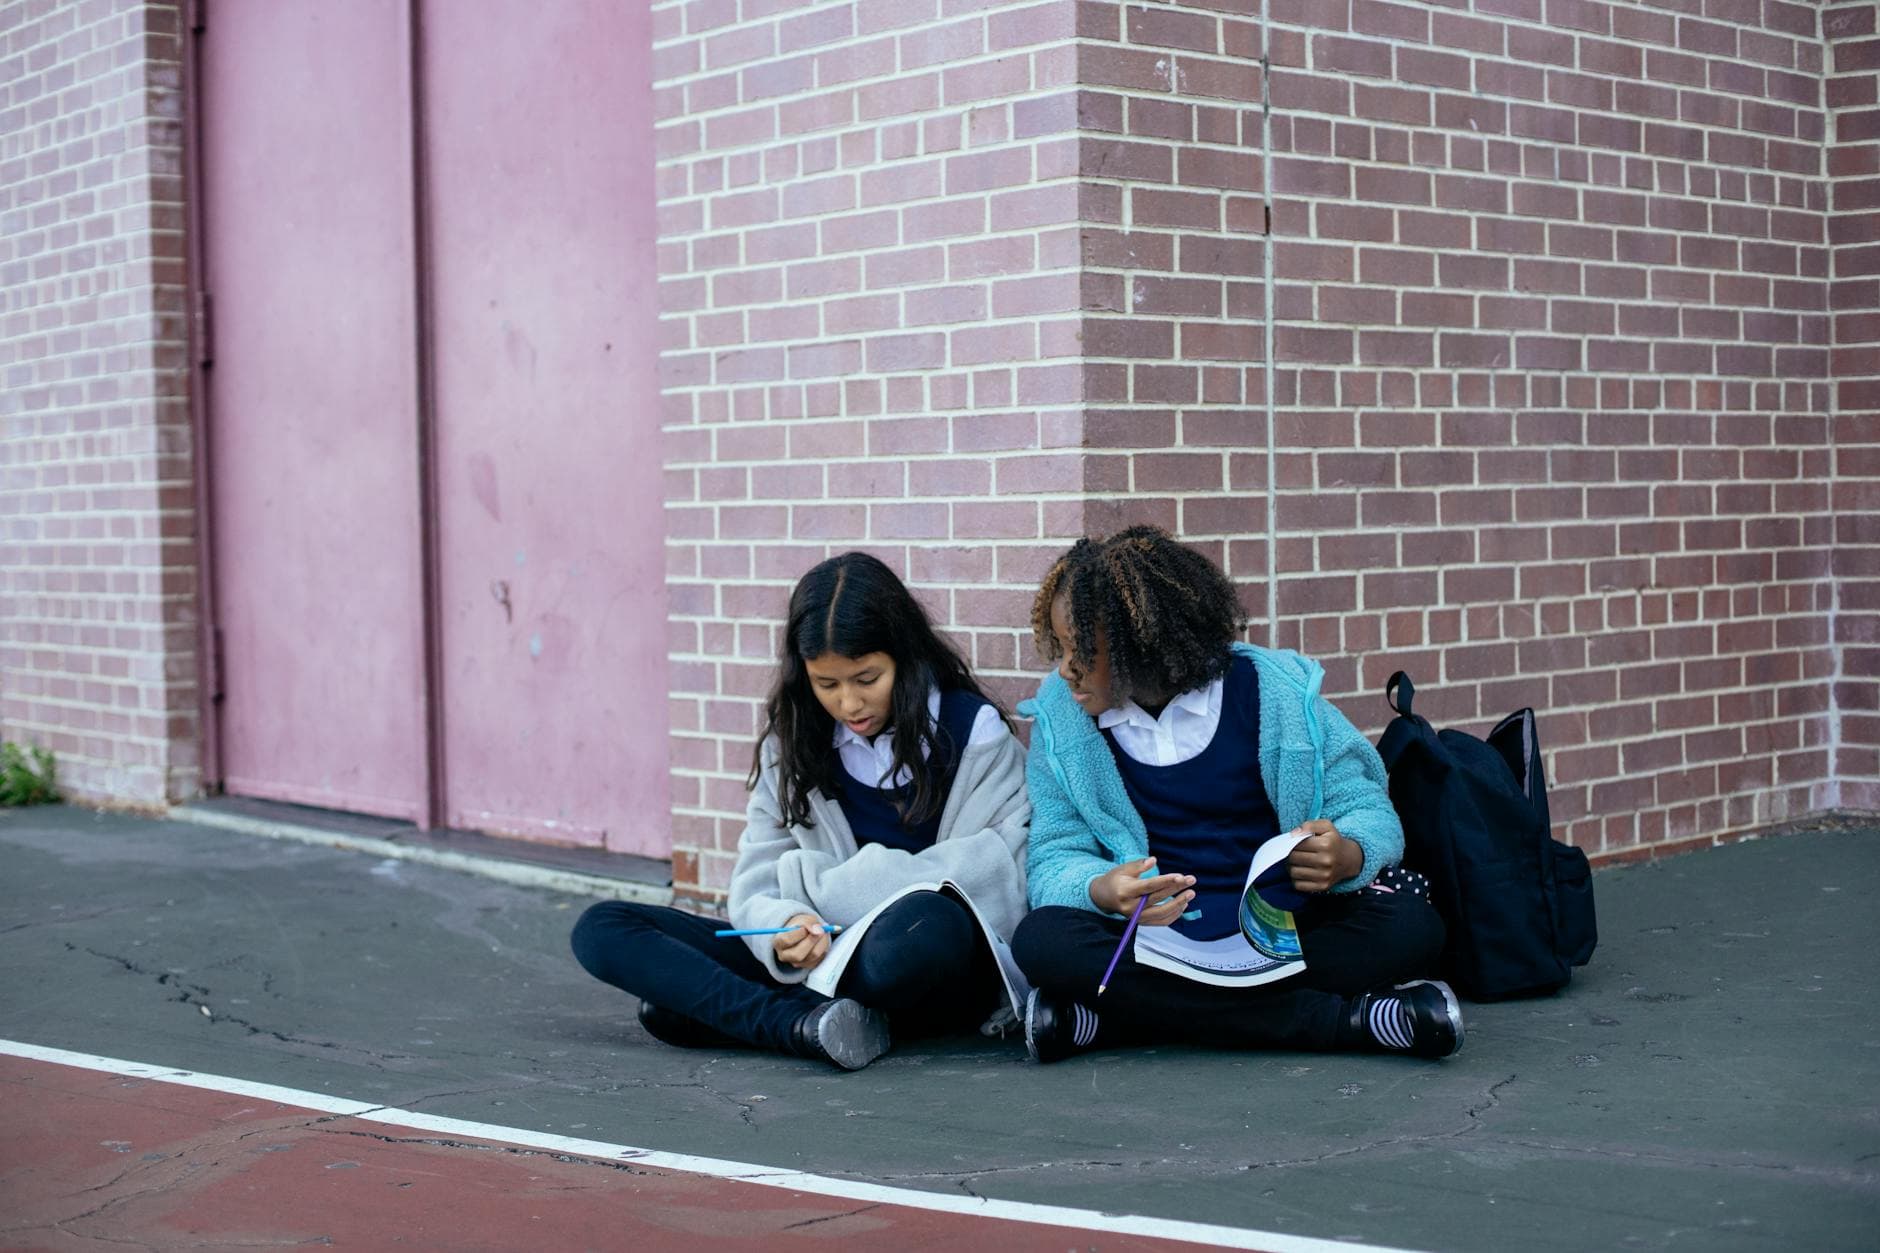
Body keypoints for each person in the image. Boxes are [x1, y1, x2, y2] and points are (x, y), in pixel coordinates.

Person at [1012, 525, 1462, 1062]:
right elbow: (1052, 858)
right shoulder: (1063, 717)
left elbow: (1366, 807)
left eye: (1079, 649)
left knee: (1412, 928)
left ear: (1142, 642)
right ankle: (1349, 1022)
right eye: (1059, 649)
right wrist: (1101, 890)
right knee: (1040, 941)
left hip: (1283, 932)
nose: (1063, 668)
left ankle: (1112, 1020)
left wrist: (1348, 855)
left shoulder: (1276, 692)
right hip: (1154, 943)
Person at [571, 552, 1029, 1070]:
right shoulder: (794, 741)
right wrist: (784, 925)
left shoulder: (974, 733)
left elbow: (998, 873)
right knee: (603, 925)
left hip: (917, 961)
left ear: (904, 656)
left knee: (927, 923)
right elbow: (757, 880)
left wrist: (819, 890)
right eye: (826, 684)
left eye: (866, 678)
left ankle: (740, 1013)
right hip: (818, 958)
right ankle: (799, 1025)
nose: (849, 704)